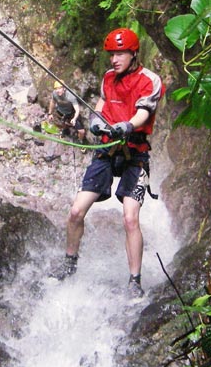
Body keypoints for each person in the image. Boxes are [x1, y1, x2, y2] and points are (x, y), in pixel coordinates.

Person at [49, 28, 165, 298]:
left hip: (134, 156)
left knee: (130, 217)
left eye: (120, 53)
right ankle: (69, 263)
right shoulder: (108, 78)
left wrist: (126, 126)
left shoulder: (150, 80)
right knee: (77, 211)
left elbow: (143, 112)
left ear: (134, 53)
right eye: (112, 54)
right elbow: (101, 106)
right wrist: (98, 122)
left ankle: (134, 280)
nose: (115, 59)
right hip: (106, 152)